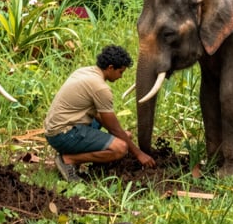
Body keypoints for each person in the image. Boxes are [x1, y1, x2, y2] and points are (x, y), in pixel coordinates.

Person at [44, 44, 155, 182]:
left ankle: (76, 154)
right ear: (110, 68)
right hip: (64, 134)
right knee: (120, 148)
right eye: (120, 72)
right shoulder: (100, 88)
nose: (121, 77)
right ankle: (68, 159)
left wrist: (120, 136)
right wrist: (139, 154)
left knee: (124, 136)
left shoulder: (85, 72)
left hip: (57, 129)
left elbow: (101, 118)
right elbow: (113, 128)